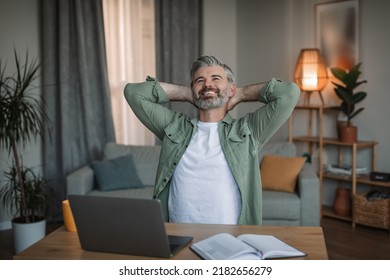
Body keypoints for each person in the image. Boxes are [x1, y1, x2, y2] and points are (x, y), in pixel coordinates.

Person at [124, 55, 300, 225]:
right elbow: (133, 93)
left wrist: (242, 93)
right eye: (200, 80)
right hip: (178, 235)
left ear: (230, 88)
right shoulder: (175, 127)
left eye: (216, 78)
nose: (207, 83)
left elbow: (289, 93)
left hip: (231, 238)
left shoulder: (248, 131)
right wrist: (185, 92)